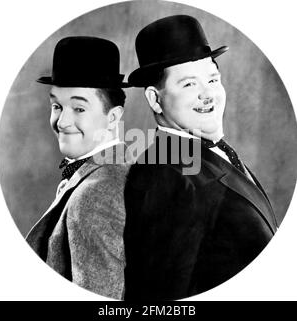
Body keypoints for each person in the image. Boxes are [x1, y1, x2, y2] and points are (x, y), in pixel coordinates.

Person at [124, 15, 278, 300]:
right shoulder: (163, 175)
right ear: (154, 100)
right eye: (188, 85)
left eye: (212, 79)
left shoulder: (207, 153)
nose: (208, 94)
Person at [26, 36, 131, 299]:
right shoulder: (114, 169)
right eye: (56, 106)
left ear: (114, 117)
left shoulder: (96, 192)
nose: (62, 121)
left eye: (79, 108)